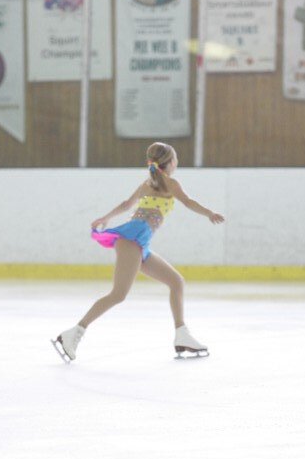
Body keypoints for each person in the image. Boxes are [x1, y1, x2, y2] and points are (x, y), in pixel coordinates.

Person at [52, 142, 225, 362]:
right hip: (131, 240)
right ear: (170, 162)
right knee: (118, 294)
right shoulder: (170, 183)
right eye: (176, 159)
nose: (177, 162)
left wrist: (106, 218)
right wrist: (209, 213)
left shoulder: (148, 183)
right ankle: (73, 334)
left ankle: (182, 335)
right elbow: (188, 202)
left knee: (176, 282)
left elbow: (126, 205)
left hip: (138, 242)